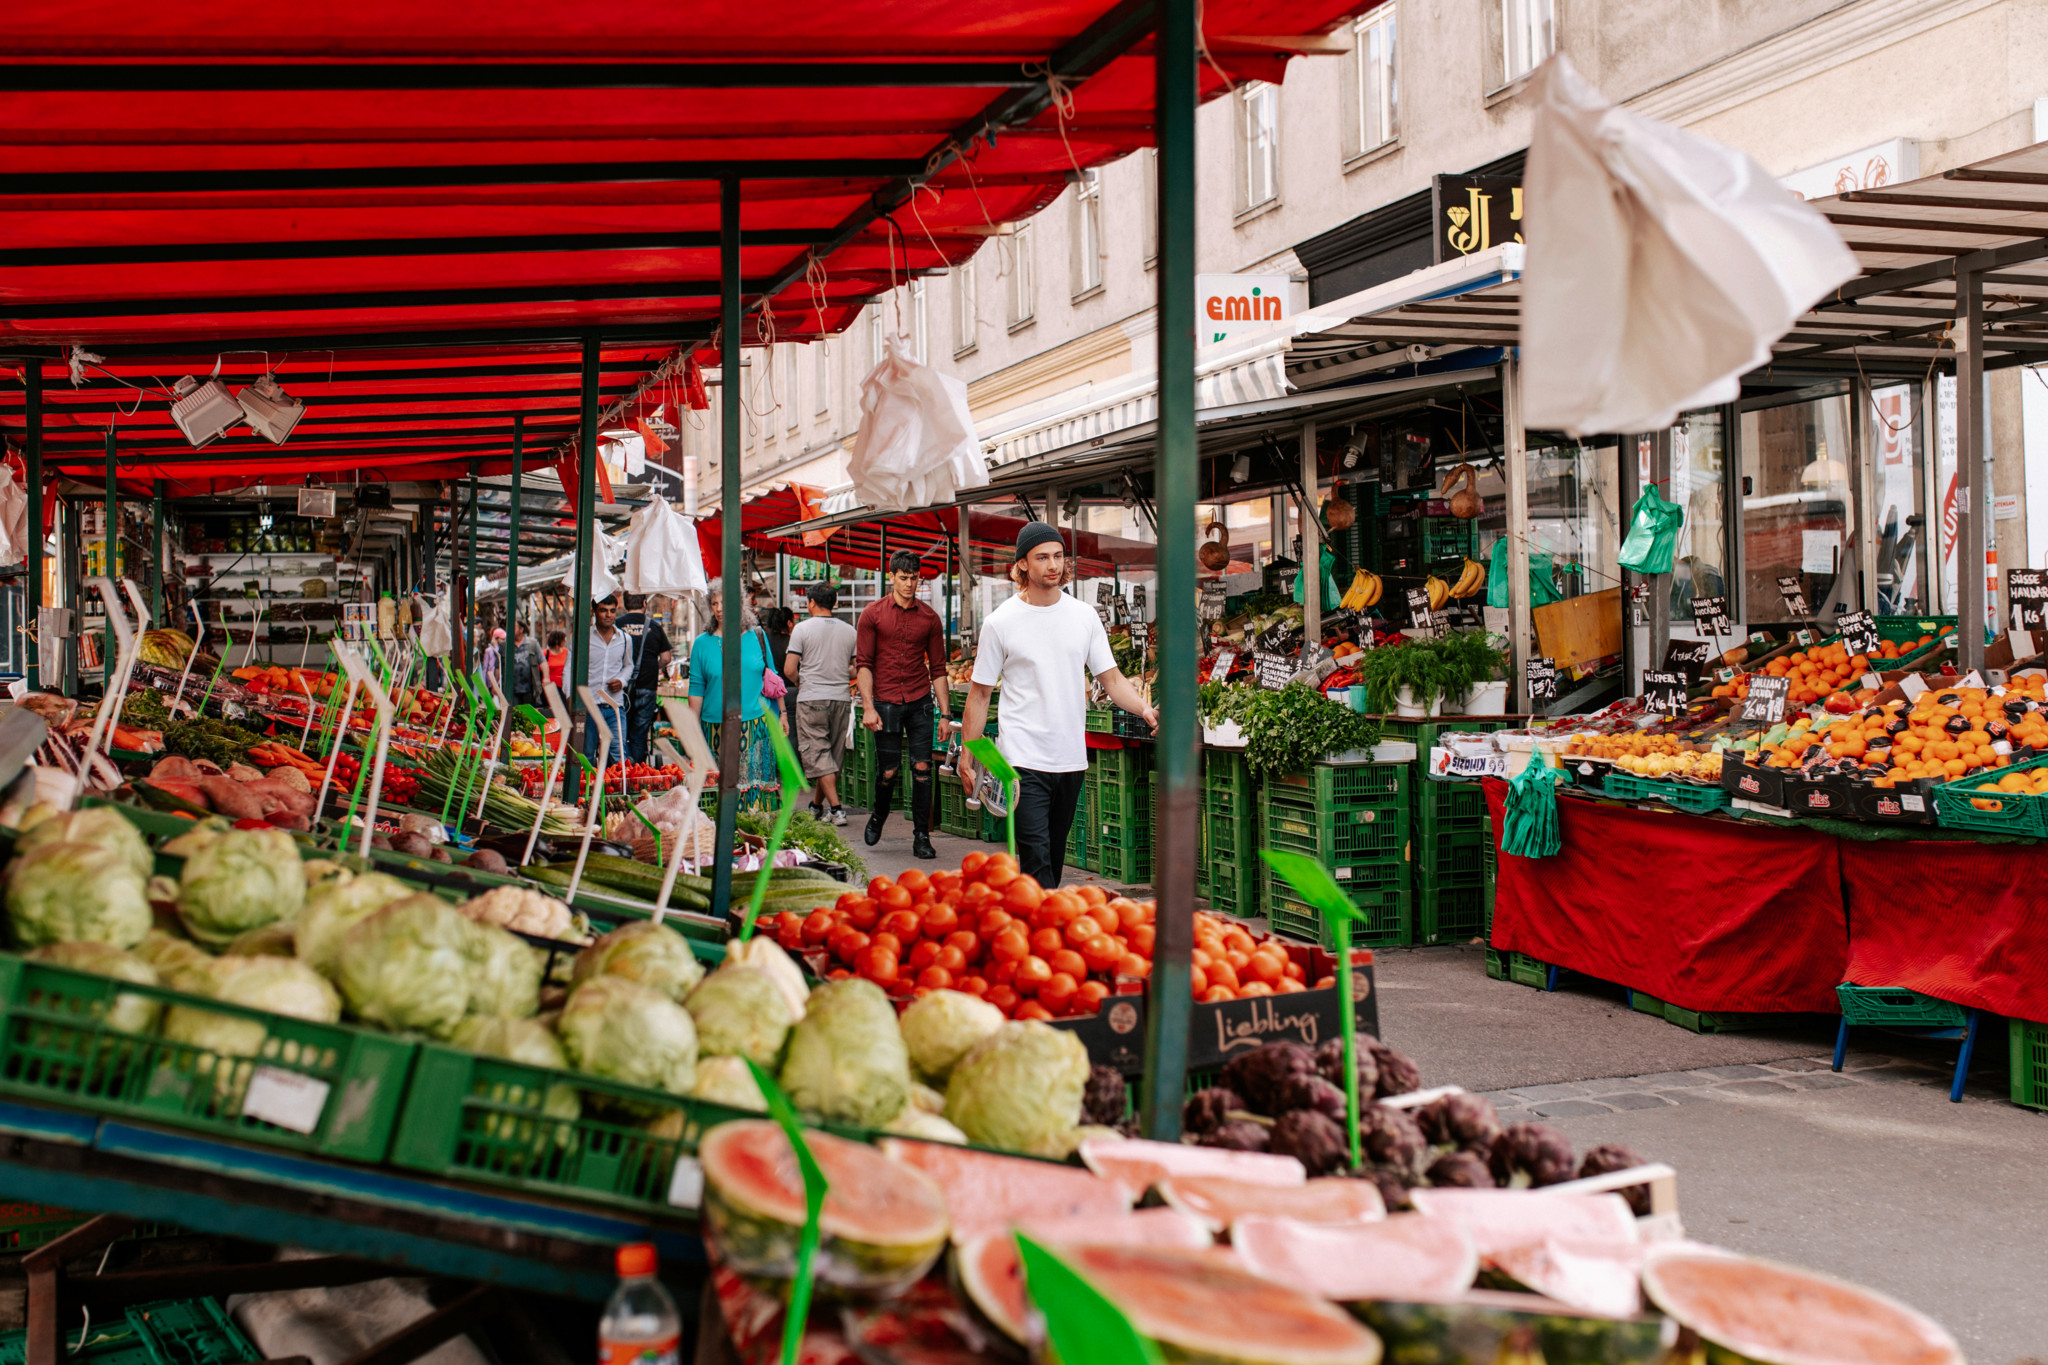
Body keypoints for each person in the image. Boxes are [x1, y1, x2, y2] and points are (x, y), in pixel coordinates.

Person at [960, 523, 1156, 889]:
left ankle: (1035, 925)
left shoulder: (1083, 616)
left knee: (1053, 854)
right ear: (1022, 565)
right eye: (1042, 557)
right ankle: (1040, 933)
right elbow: (980, 694)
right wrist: (969, 754)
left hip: (1069, 757)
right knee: (1036, 859)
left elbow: (1112, 680)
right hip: (1021, 759)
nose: (1053, 565)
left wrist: (1144, 710)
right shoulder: (1000, 622)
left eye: (1058, 556)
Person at [855, 550, 953, 859]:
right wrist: (868, 707)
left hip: (920, 701)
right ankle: (879, 815)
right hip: (884, 702)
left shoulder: (929, 618)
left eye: (914, 578)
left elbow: (938, 668)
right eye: (903, 577)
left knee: (923, 768)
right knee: (889, 770)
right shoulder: (872, 614)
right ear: (892, 577)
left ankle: (922, 836)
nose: (909, 584)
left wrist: (945, 715)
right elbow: (864, 665)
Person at [689, 596, 776, 810]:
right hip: (714, 729)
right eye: (715, 604)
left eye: (724, 602)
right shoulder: (702, 643)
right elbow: (696, 688)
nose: (719, 609)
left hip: (755, 727)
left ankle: (753, 838)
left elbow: (773, 677)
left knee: (753, 793)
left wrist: (781, 714)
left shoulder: (757, 636)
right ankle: (719, 840)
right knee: (717, 792)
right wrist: (692, 731)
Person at [784, 583, 857, 825]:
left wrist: (802, 682)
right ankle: (816, 806)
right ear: (834, 603)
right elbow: (857, 669)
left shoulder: (802, 629)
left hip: (812, 698)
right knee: (830, 758)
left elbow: (789, 669)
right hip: (841, 699)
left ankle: (836, 809)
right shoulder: (849, 631)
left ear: (812, 603)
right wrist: (837, 671)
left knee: (817, 755)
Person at [615, 594, 675, 762]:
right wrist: (654, 667)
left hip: (621, 689)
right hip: (647, 687)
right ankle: (637, 773)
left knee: (620, 730)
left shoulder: (616, 625)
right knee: (640, 733)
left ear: (625, 604)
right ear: (644, 603)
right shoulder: (654, 627)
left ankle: (621, 770)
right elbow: (666, 657)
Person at [580, 596, 632, 768]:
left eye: (612, 611)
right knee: (587, 754)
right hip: (590, 706)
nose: (608, 615)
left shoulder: (625, 639)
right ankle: (588, 792)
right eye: (603, 610)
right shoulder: (584, 637)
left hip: (614, 707)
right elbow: (572, 669)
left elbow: (629, 666)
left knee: (618, 754)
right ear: (594, 611)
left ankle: (617, 791)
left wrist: (622, 680)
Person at [509, 621, 545, 709]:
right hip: (512, 689)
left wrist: (546, 678)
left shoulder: (532, 644)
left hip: (529, 688)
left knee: (529, 714)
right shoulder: (507, 645)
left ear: (521, 629)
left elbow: (542, 661)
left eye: (514, 627)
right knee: (515, 713)